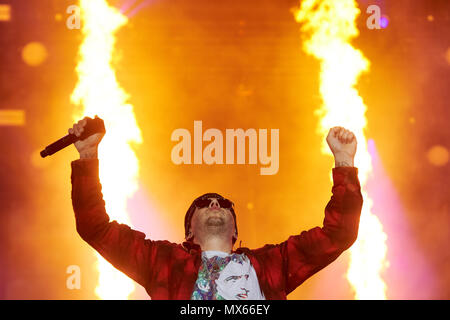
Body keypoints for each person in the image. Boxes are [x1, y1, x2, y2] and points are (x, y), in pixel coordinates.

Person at [69, 117, 363, 300]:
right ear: (188, 230)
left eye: (224, 204)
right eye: (203, 203)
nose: (214, 204)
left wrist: (344, 161)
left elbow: (337, 234)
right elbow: (95, 228)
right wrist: (87, 155)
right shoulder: (163, 262)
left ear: (235, 229)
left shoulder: (271, 264)